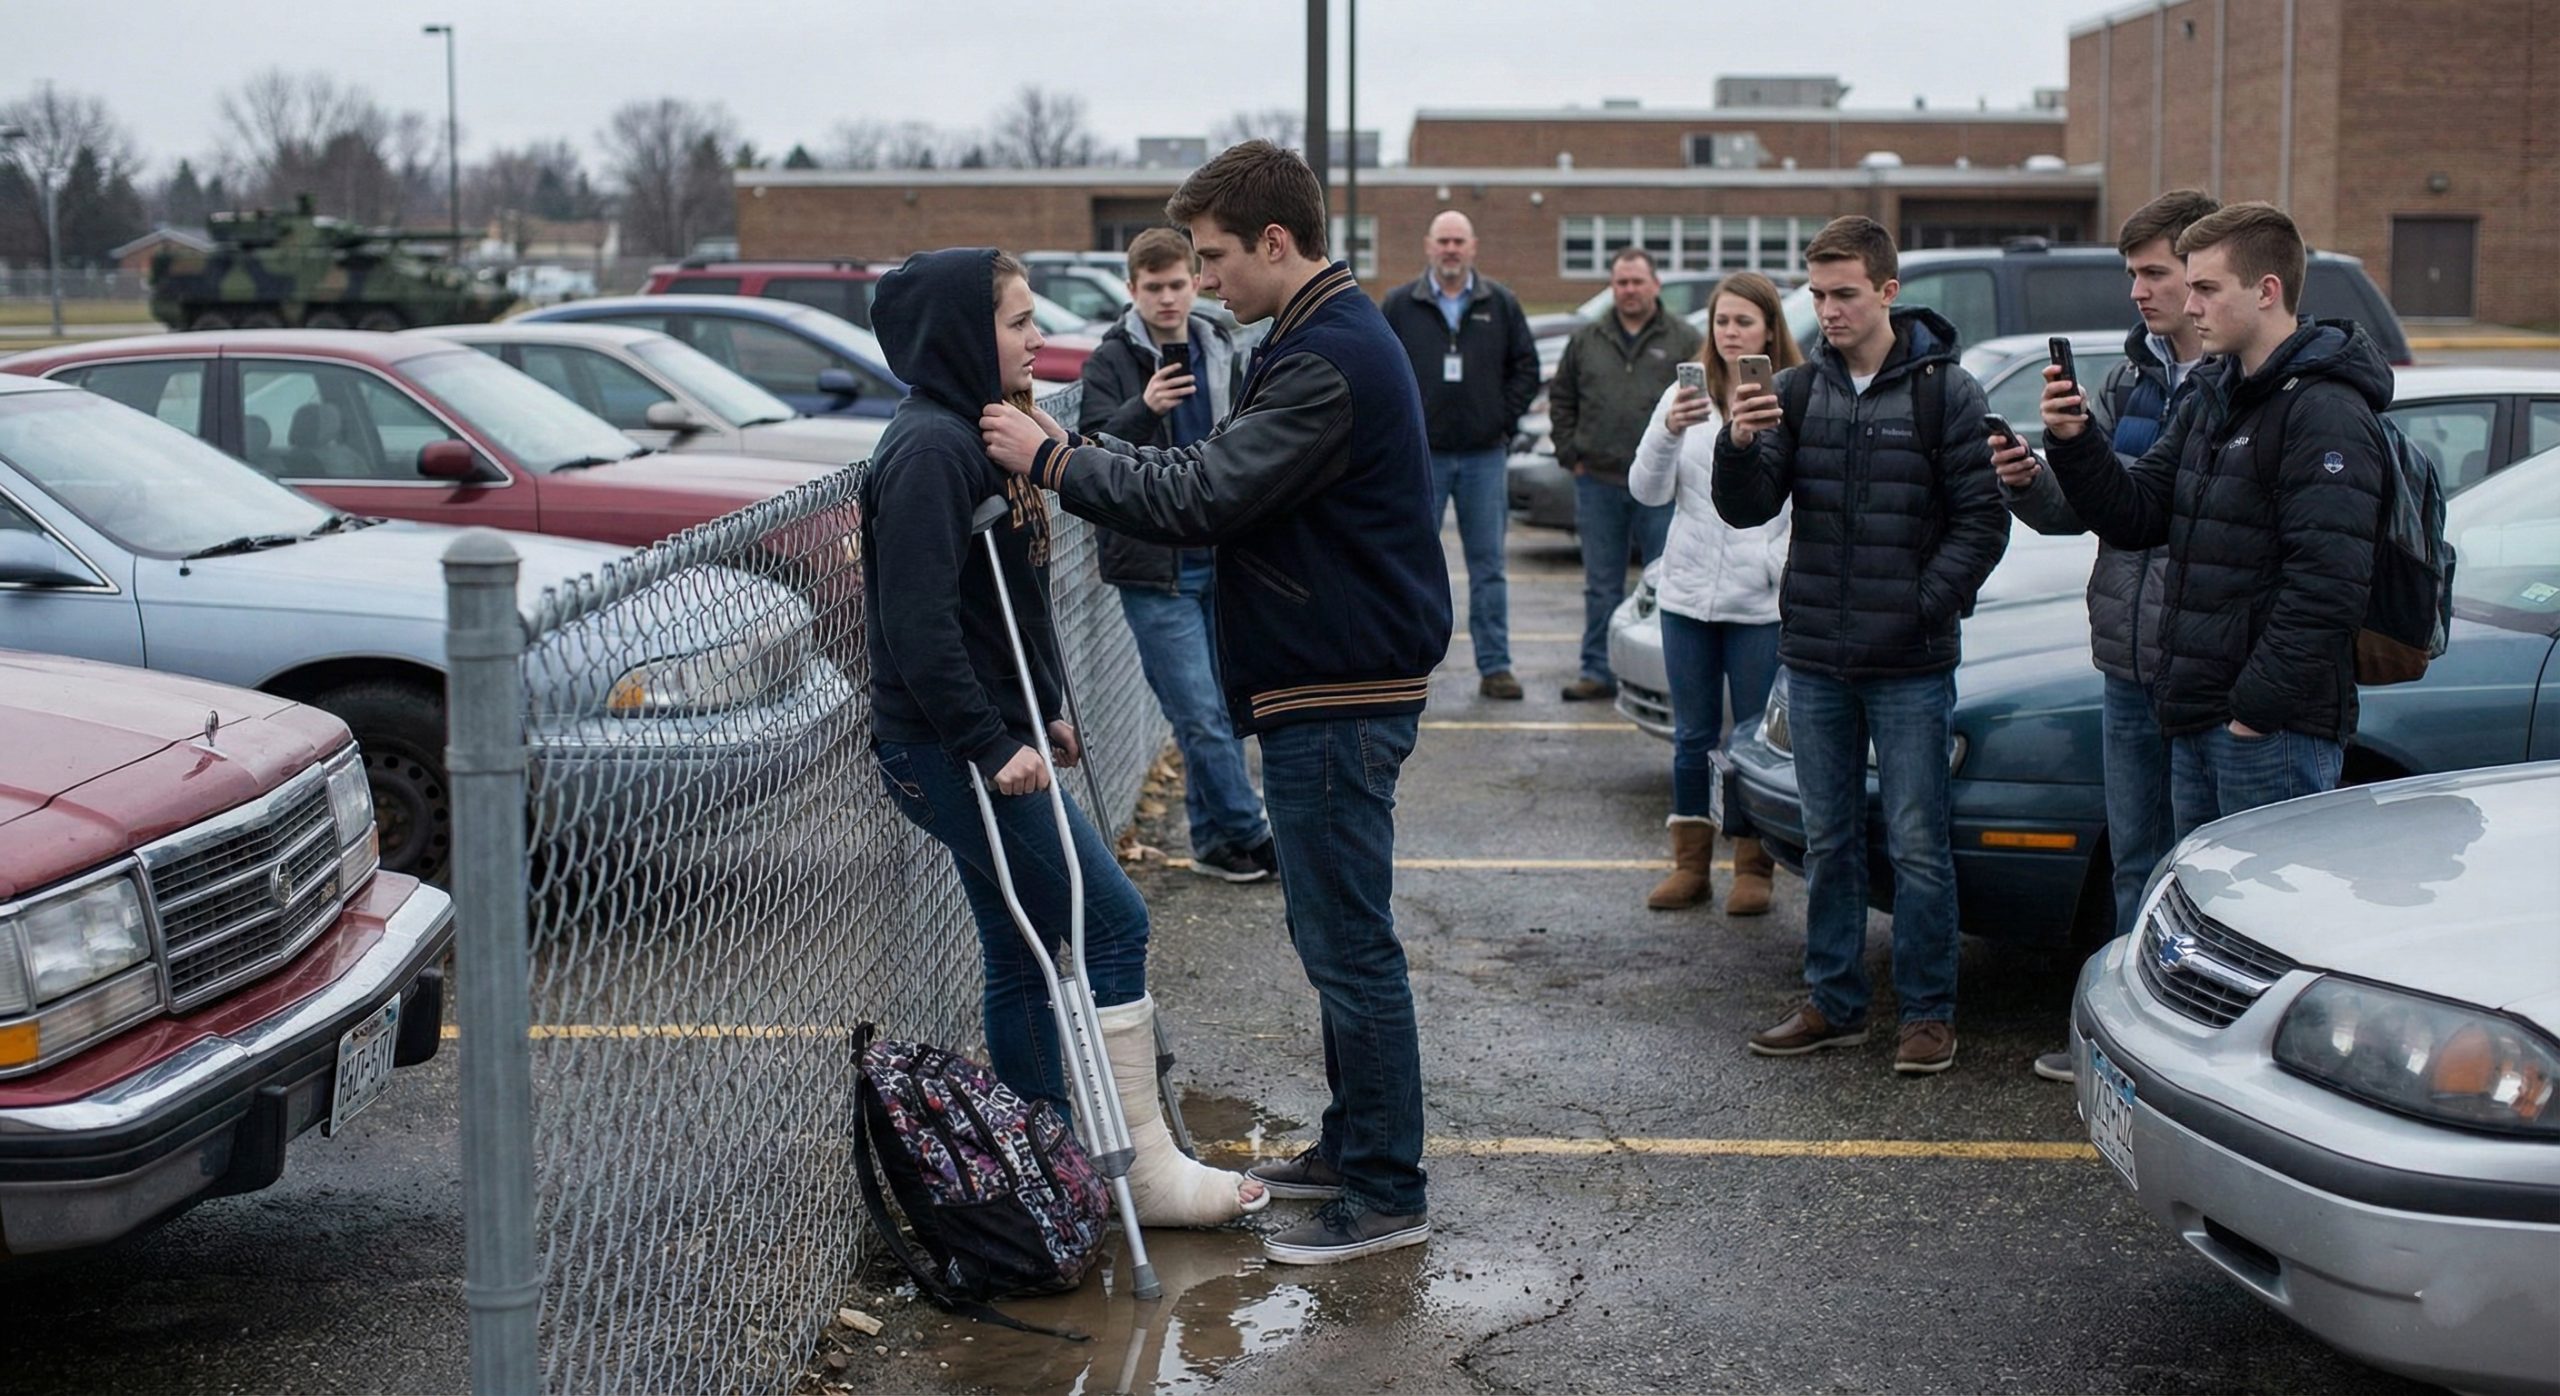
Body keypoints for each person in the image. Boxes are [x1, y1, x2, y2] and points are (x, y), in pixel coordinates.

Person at [979, 142, 1453, 1266]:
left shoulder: (1325, 355)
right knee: (1331, 933)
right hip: (1325, 680)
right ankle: (1354, 1146)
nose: (1207, 279)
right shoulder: (1309, 338)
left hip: (1339, 689)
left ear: (1276, 244)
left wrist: (1056, 460)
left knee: (1350, 946)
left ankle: (1386, 1192)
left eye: (1218, 256)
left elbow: (1203, 490)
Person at [858, 247, 1263, 1227]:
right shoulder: (929, 452)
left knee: (1018, 943)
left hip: (987, 733)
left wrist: (1041, 708)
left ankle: (1049, 1160)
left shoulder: (982, 430)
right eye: (1015, 319)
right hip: (949, 749)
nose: (1038, 336)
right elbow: (917, 627)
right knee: (1112, 920)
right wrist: (993, 744)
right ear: (963, 333)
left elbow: (1002, 611)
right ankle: (1142, 1171)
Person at [1713, 215, 2008, 1075]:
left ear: (1887, 290)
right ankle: (1834, 1002)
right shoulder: (1801, 393)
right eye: (1817, 295)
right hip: (1815, 659)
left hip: (1911, 663)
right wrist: (1739, 445)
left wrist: (1921, 606)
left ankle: (1927, 1012)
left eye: (1844, 294)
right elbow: (1750, 507)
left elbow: (1981, 520)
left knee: (1919, 842)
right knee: (1830, 839)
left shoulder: (1945, 391)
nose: (1828, 310)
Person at [2040, 202, 2386, 844]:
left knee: (2270, 929)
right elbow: (2138, 512)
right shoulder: (2214, 397)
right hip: (2199, 717)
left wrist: (2253, 713)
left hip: (2268, 734)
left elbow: (2329, 587)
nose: (2190, 307)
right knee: (2201, 916)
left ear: (2266, 292)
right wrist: (2075, 438)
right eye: (2189, 286)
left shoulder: (2325, 411)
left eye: (2205, 288)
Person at [1987, 189, 2219, 1084]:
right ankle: (2125, 1050)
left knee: (2205, 880)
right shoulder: (2134, 376)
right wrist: (2033, 479)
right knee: (2134, 861)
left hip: (2206, 667)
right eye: (2132, 274)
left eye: (2154, 273)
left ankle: (2193, 1064)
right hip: (2126, 657)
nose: (2139, 291)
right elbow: (2108, 513)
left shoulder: (2240, 381)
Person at [1077, 226, 1276, 884]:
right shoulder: (1113, 358)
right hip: (1152, 568)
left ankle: (1217, 843)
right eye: (1153, 287)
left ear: (1195, 281)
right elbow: (1087, 454)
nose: (1167, 298)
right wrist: (1145, 406)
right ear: (1132, 290)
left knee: (1217, 709)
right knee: (1198, 713)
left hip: (1219, 556)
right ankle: (1254, 831)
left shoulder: (1218, 340)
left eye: (1177, 284)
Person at [1628, 271, 1799, 916]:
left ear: (1768, 331)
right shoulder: (1685, 396)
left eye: (1744, 323)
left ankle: (1754, 864)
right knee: (1692, 735)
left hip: (1758, 603)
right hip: (1688, 596)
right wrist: (1669, 428)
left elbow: (1803, 498)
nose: (1730, 334)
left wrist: (1773, 562)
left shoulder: (1789, 397)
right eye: (1722, 322)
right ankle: (1689, 866)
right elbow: (1645, 491)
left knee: (1755, 736)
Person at [1381, 210, 1541, 701]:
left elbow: (1526, 369)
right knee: (1407, 561)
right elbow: (1380, 370)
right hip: (1420, 459)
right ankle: (1401, 664)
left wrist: (1501, 419)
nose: (1451, 250)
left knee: (1488, 566)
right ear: (1429, 246)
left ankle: (1495, 667)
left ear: (1473, 248)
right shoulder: (1401, 305)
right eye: (1443, 241)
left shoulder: (1501, 303)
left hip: (1483, 458)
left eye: (1459, 242)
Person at [1548, 247, 1705, 701]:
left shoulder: (1683, 339)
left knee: (1664, 587)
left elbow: (1699, 403)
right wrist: (1569, 452)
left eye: (1637, 281)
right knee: (1601, 586)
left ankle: (1666, 675)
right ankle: (1596, 670)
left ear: (1655, 285)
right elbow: (1562, 398)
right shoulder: (1588, 339)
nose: (1629, 290)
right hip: (1598, 481)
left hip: (1663, 487)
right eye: (1621, 282)